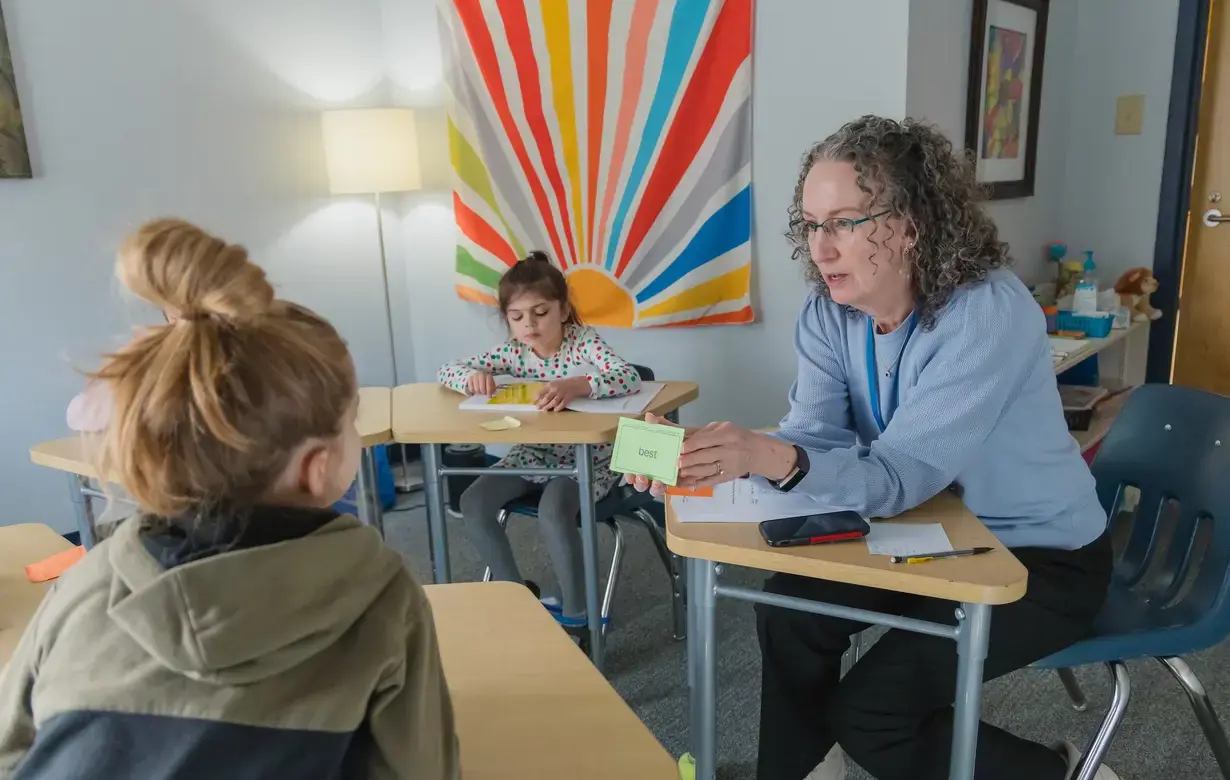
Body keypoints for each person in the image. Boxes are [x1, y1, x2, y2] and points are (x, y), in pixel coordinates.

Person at [626, 117, 1116, 780]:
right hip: (929, 529)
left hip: (1037, 558)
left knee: (870, 714)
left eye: (844, 222)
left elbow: (898, 475)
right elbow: (815, 437)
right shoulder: (830, 310)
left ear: (912, 222)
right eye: (809, 224)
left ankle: (1059, 775)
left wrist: (771, 457)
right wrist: (707, 451)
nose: (819, 248)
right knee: (788, 615)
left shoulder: (986, 313)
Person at [0, 219, 459, 780]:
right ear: (317, 469)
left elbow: (12, 746)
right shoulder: (382, 596)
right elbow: (423, 769)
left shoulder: (84, 584)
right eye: (352, 420)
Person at [439, 251, 642, 630]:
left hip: (587, 461)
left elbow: (628, 377)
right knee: (473, 501)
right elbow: (447, 369)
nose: (528, 324)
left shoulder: (583, 343)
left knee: (553, 511)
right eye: (516, 317)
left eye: (540, 312)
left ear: (563, 310)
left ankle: (578, 614)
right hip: (531, 455)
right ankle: (513, 595)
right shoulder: (513, 353)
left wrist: (581, 383)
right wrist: (469, 378)